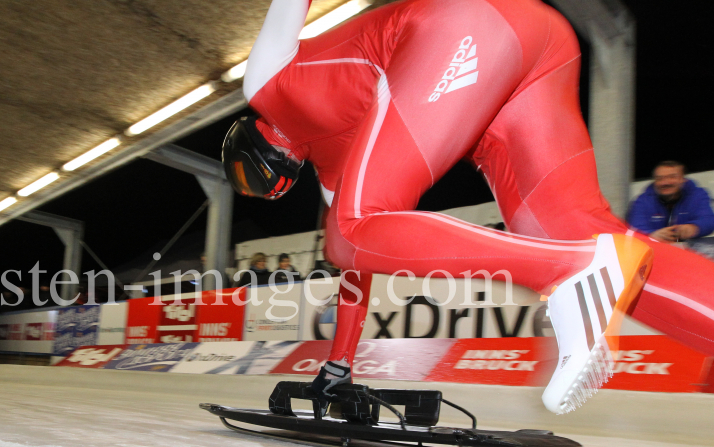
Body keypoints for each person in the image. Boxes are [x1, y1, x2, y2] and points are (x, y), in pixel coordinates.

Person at [223, 0, 714, 415]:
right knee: (579, 229)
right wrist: (339, 364)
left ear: (247, 142)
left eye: (248, 177)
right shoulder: (335, 175)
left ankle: (568, 270)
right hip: (530, 43)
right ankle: (604, 272)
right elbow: (358, 270)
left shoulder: (264, 83)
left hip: (462, 31)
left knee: (349, 229)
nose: (264, 187)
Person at [627, 161, 714, 243]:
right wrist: (651, 235)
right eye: (660, 178)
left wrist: (694, 228)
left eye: (672, 177)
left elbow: (708, 220)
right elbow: (634, 228)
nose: (665, 182)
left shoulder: (697, 195)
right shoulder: (642, 201)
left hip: (689, 250)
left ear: (682, 179)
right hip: (655, 250)